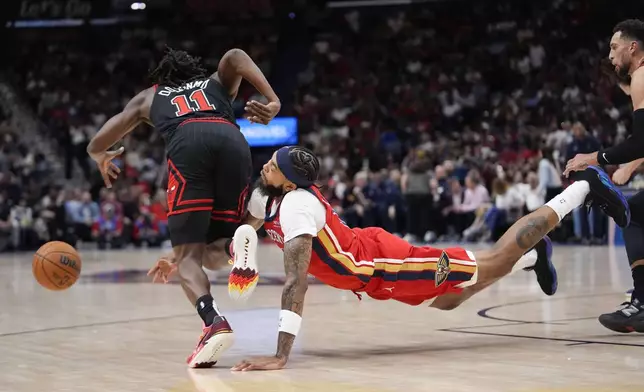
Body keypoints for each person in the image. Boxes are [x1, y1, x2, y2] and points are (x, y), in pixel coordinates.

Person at [222, 146, 628, 371]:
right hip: (373, 270)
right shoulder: (267, 194)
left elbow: (295, 283)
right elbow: (249, 225)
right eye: (270, 160)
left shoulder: (295, 207)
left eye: (274, 165)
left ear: (290, 182)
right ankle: (531, 257)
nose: (266, 165)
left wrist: (280, 355)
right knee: (450, 298)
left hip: (387, 265)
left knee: (492, 260)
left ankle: (580, 189)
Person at [87, 47, 279, 367]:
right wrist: (273, 100)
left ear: (163, 78)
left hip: (188, 143)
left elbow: (100, 139)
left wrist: (98, 154)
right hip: (232, 141)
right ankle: (238, 243)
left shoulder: (150, 97)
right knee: (211, 251)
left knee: (190, 256)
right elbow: (234, 55)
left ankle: (213, 323)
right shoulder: (216, 83)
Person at [564, 19, 644, 333]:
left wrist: (593, 158)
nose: (610, 55)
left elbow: (641, 142)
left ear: (633, 47)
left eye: (614, 47)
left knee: (635, 216)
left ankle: (640, 303)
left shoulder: (640, 75)